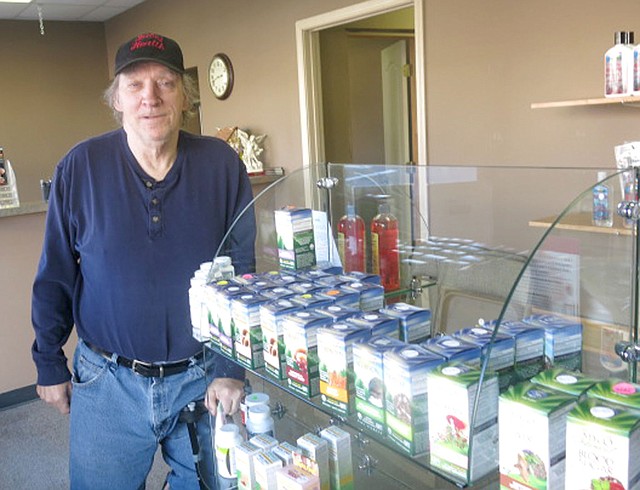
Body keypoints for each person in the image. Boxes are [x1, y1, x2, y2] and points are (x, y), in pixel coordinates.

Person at [31, 32, 255, 489]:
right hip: (109, 381)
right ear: (116, 98)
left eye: (165, 83)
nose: (149, 98)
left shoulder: (221, 164)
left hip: (203, 376)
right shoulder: (80, 167)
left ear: (185, 96)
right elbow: (56, 273)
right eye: (134, 85)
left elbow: (242, 273)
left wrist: (233, 369)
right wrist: (48, 360)